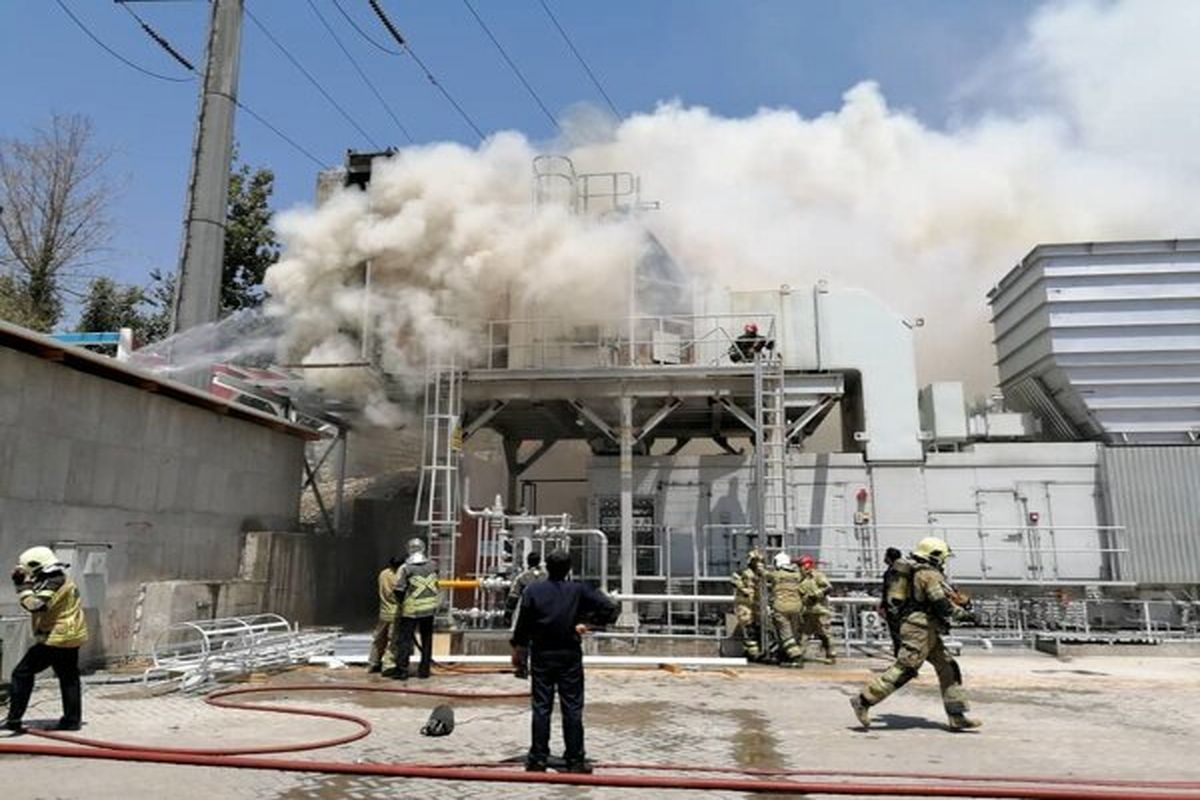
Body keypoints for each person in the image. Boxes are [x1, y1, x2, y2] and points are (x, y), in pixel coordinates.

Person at [850, 537, 980, 731]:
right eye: (943, 558)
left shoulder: (915, 572)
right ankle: (863, 700)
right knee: (906, 668)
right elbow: (941, 604)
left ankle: (956, 715)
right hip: (919, 629)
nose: (944, 562)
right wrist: (967, 616)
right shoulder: (929, 574)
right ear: (934, 556)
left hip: (926, 628)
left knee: (948, 667)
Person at [510, 549, 618, 774]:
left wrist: (518, 649)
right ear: (569, 569)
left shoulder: (533, 590)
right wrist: (590, 624)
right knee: (572, 707)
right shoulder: (578, 590)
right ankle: (575, 760)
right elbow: (609, 607)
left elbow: (523, 624)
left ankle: (538, 759)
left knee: (541, 707)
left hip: (542, 654)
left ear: (547, 567)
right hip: (569, 654)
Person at [5, 546, 88, 733]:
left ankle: (14, 719)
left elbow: (36, 605)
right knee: (68, 678)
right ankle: (72, 720)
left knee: (22, 673)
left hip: (57, 637)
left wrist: (21, 586)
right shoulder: (55, 577)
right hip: (70, 635)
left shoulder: (54, 581)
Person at [385, 538, 439, 681]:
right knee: (427, 639)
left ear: (409, 550)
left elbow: (399, 589)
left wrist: (400, 604)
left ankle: (402, 670)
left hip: (411, 610)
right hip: (429, 609)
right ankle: (425, 670)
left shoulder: (405, 568)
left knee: (405, 640)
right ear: (423, 549)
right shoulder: (433, 565)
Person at [506, 552, 548, 679]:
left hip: (527, 613)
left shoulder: (522, 577)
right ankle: (543, 668)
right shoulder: (547, 576)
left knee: (523, 641)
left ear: (528, 562)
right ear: (540, 561)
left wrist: (508, 613)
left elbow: (513, 596)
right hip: (545, 613)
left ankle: (522, 667)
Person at [766, 551, 805, 665]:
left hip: (781, 606)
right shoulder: (797, 575)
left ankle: (796, 656)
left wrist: (758, 563)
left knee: (785, 633)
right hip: (797, 606)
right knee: (793, 632)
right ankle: (785, 654)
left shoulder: (776, 574)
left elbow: (763, 573)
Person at [795, 555, 836, 663]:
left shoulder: (817, 576)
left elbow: (828, 588)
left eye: (801, 565)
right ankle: (800, 654)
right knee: (804, 634)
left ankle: (831, 654)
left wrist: (816, 595)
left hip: (820, 610)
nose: (799, 568)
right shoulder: (800, 579)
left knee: (825, 633)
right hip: (808, 611)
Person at [367, 556, 402, 674]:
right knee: (393, 640)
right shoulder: (398, 576)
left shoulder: (383, 573)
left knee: (379, 638)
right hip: (395, 613)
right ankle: (388, 666)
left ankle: (373, 662)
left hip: (383, 612)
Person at [730, 549, 766, 661]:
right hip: (744, 604)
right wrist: (743, 588)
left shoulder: (762, 573)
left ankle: (752, 651)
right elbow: (733, 579)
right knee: (748, 627)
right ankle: (753, 653)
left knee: (758, 628)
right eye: (756, 561)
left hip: (757, 605)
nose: (758, 563)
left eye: (760, 561)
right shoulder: (743, 572)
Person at [878, 547, 906, 655]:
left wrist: (884, 605)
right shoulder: (901, 570)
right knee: (899, 632)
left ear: (889, 558)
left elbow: (888, 589)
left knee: (896, 633)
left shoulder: (892, 572)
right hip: (900, 606)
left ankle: (900, 657)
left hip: (894, 606)